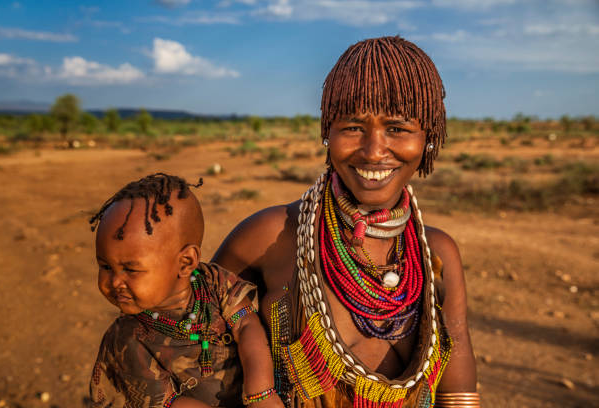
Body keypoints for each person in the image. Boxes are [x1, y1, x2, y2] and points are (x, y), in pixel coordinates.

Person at [213, 37, 479, 408]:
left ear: (428, 137)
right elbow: (192, 337)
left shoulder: (438, 254)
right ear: (327, 132)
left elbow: (456, 377)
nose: (373, 151)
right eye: (352, 127)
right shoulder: (270, 236)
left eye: (398, 128)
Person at [88, 173, 284, 408]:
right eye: (106, 266)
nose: (115, 281)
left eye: (130, 269)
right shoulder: (126, 340)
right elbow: (170, 403)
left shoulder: (213, 282)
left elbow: (246, 324)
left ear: (185, 262)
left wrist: (261, 393)